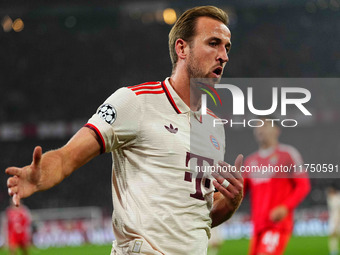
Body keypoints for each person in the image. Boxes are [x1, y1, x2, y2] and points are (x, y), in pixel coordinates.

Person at [6, 6, 244, 254]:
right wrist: (41, 174)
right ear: (182, 48)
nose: (223, 56)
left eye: (226, 47)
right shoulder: (136, 102)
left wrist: (231, 200)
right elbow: (67, 157)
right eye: (213, 43)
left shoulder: (214, 127)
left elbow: (198, 218)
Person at [243, 117, 311, 255]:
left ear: (276, 130)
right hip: (257, 226)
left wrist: (285, 207)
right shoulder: (250, 161)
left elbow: (303, 186)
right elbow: (239, 193)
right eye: (257, 126)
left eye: (265, 125)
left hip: (277, 225)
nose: (260, 129)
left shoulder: (288, 154)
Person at [327, 186, 340, 255]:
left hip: (337, 220)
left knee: (335, 235)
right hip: (333, 220)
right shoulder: (330, 199)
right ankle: (333, 251)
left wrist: (337, 222)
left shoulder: (337, 199)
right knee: (332, 235)